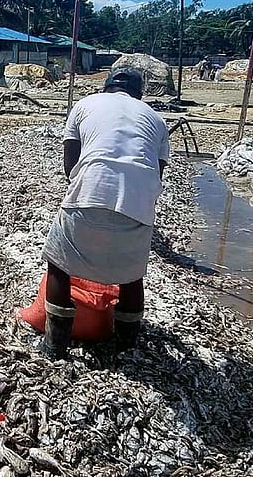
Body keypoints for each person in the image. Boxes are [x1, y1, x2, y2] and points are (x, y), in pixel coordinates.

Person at [41, 67, 171, 358]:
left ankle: (54, 346)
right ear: (140, 92)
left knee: (59, 264)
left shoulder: (85, 105)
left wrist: (90, 193)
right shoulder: (157, 119)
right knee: (132, 275)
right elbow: (157, 172)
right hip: (140, 202)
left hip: (90, 189)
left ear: (106, 86)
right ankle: (126, 346)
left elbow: (69, 163)